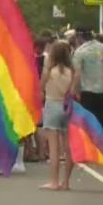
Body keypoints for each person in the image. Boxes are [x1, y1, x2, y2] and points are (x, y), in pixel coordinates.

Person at [40, 40, 75, 191]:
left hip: (52, 105)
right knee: (69, 148)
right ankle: (66, 182)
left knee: (54, 147)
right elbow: (74, 92)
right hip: (68, 107)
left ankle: (54, 181)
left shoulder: (49, 71)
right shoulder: (72, 71)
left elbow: (40, 88)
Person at [72, 25, 103, 131]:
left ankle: (92, 147)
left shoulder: (80, 51)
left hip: (87, 92)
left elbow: (77, 74)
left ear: (79, 37)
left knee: (87, 124)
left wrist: (74, 90)